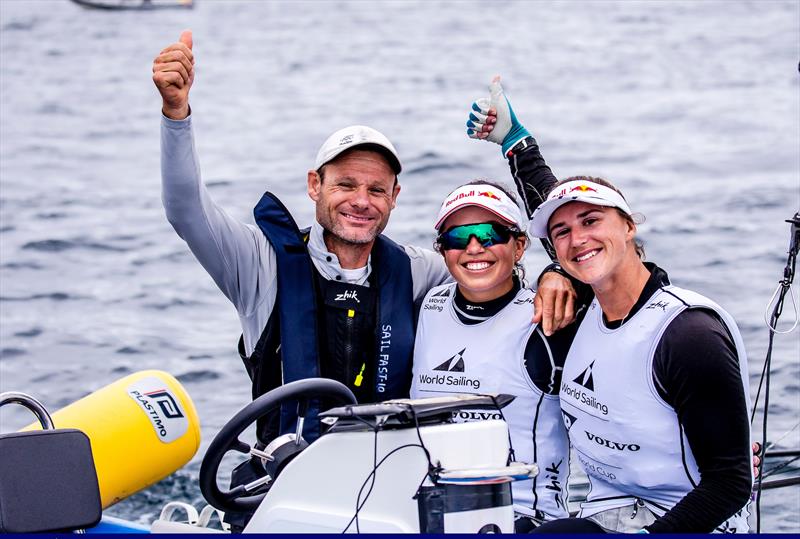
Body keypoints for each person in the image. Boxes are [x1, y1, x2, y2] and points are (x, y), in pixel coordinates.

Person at [470, 80, 754, 533]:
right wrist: (513, 142)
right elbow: (553, 206)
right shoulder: (584, 306)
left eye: (592, 220)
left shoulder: (687, 334)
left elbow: (732, 483)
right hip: (608, 513)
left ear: (628, 226)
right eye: (561, 233)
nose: (576, 238)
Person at [410, 181, 574, 531]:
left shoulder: (550, 315)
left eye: (489, 234)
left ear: (519, 246)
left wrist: (560, 269)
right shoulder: (429, 305)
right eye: (457, 237)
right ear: (442, 251)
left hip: (522, 518)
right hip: (424, 513)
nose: (473, 248)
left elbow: (614, 268)